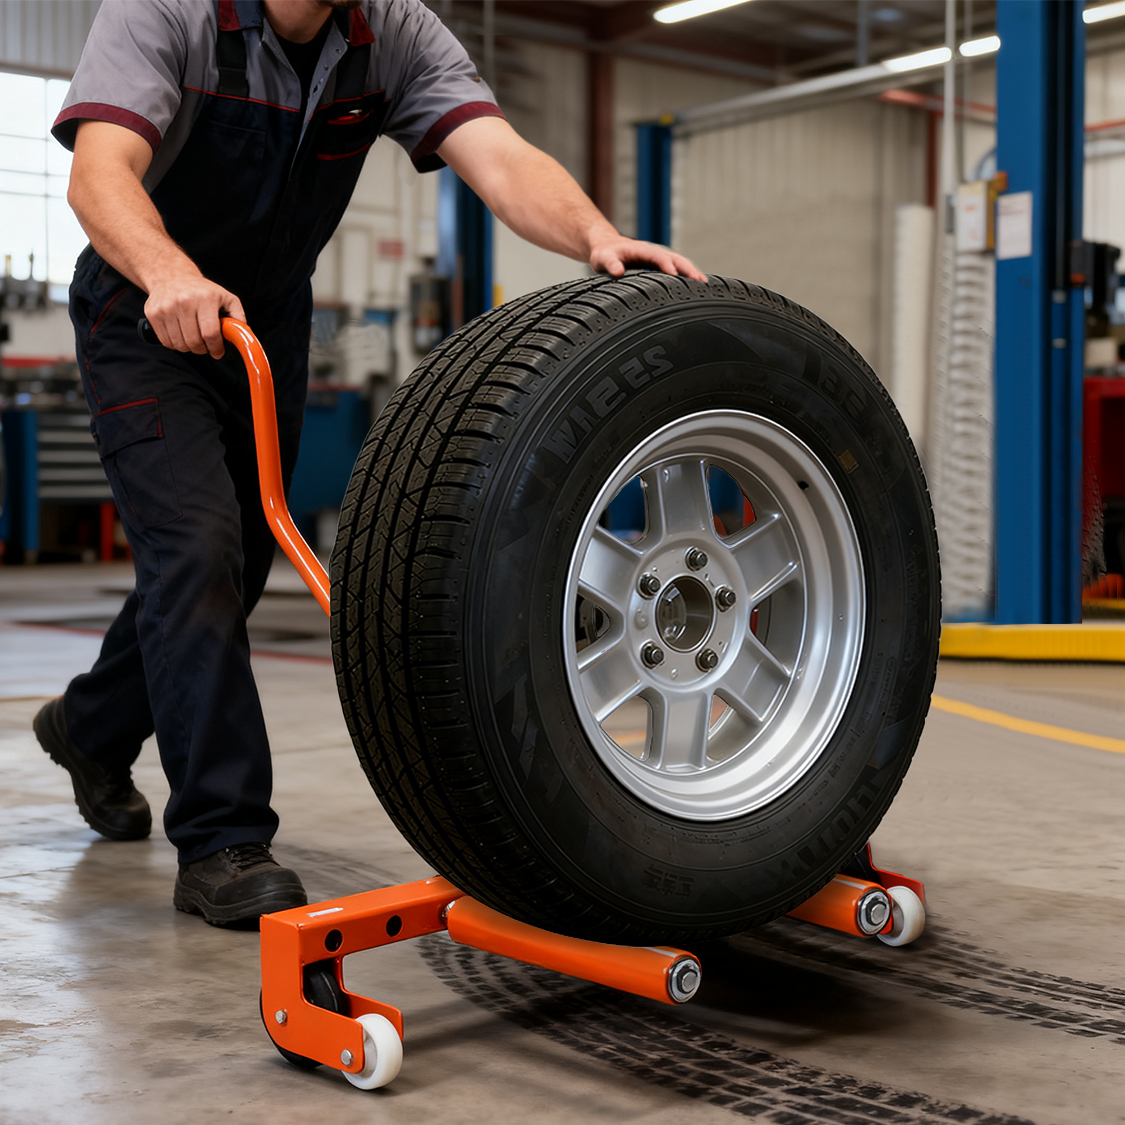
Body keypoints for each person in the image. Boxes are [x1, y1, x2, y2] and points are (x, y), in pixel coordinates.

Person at [35, 0, 705, 929]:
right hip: (147, 310)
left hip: (266, 318)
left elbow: (497, 154)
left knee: (241, 557)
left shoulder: (392, 32)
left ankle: (90, 728)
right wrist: (167, 272)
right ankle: (223, 837)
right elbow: (100, 173)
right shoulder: (168, 10)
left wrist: (594, 235)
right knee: (196, 548)